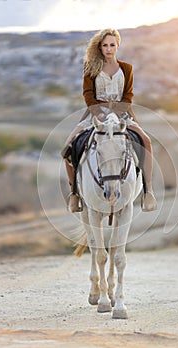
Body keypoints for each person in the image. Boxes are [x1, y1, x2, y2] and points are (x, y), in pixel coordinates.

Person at [62, 28, 157, 213]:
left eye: (112, 45)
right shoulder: (91, 67)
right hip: (96, 114)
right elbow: (88, 94)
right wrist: (98, 113)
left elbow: (128, 95)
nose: (108, 49)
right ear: (100, 47)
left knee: (146, 141)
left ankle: (148, 191)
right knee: (68, 148)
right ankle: (74, 194)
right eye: (105, 45)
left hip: (122, 114)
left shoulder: (127, 68)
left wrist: (119, 112)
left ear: (117, 45)